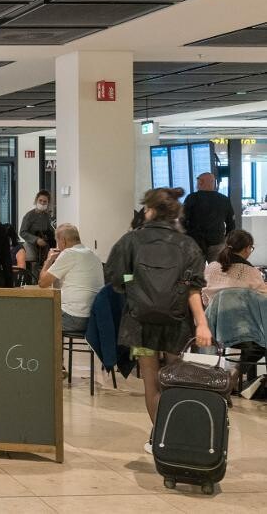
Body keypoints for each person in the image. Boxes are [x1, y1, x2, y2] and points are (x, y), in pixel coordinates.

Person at [106, 187, 212, 454]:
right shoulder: (188, 245)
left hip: (139, 323)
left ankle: (160, 438)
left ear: (149, 211)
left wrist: (135, 284)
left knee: (151, 381)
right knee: (175, 379)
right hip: (177, 323)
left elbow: (115, 278)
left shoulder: (130, 241)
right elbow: (193, 288)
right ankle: (176, 436)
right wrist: (202, 323)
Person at [39, 224, 105, 333]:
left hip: (74, 317)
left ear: (63, 241)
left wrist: (49, 260)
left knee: (34, 317)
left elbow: (42, 283)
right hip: (94, 318)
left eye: (57, 241)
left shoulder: (68, 254)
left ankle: (46, 350)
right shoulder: (93, 255)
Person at [203, 229, 267, 306]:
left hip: (214, 317)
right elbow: (263, 299)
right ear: (246, 249)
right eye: (251, 248)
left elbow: (205, 300)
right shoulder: (251, 272)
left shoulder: (210, 268)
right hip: (244, 317)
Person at [183, 172, 235, 262]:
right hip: (217, 241)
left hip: (196, 242)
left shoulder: (191, 198)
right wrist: (226, 240)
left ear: (200, 182)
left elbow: (183, 220)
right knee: (215, 272)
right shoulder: (224, 199)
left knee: (196, 271)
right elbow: (231, 223)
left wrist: (186, 236)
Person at [20, 190, 55, 275]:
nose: (42, 203)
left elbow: (49, 230)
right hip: (31, 245)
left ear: (48, 203)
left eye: (45, 201)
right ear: (36, 200)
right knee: (33, 265)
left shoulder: (47, 216)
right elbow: (22, 232)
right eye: (40, 201)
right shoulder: (29, 215)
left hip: (44, 246)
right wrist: (36, 240)